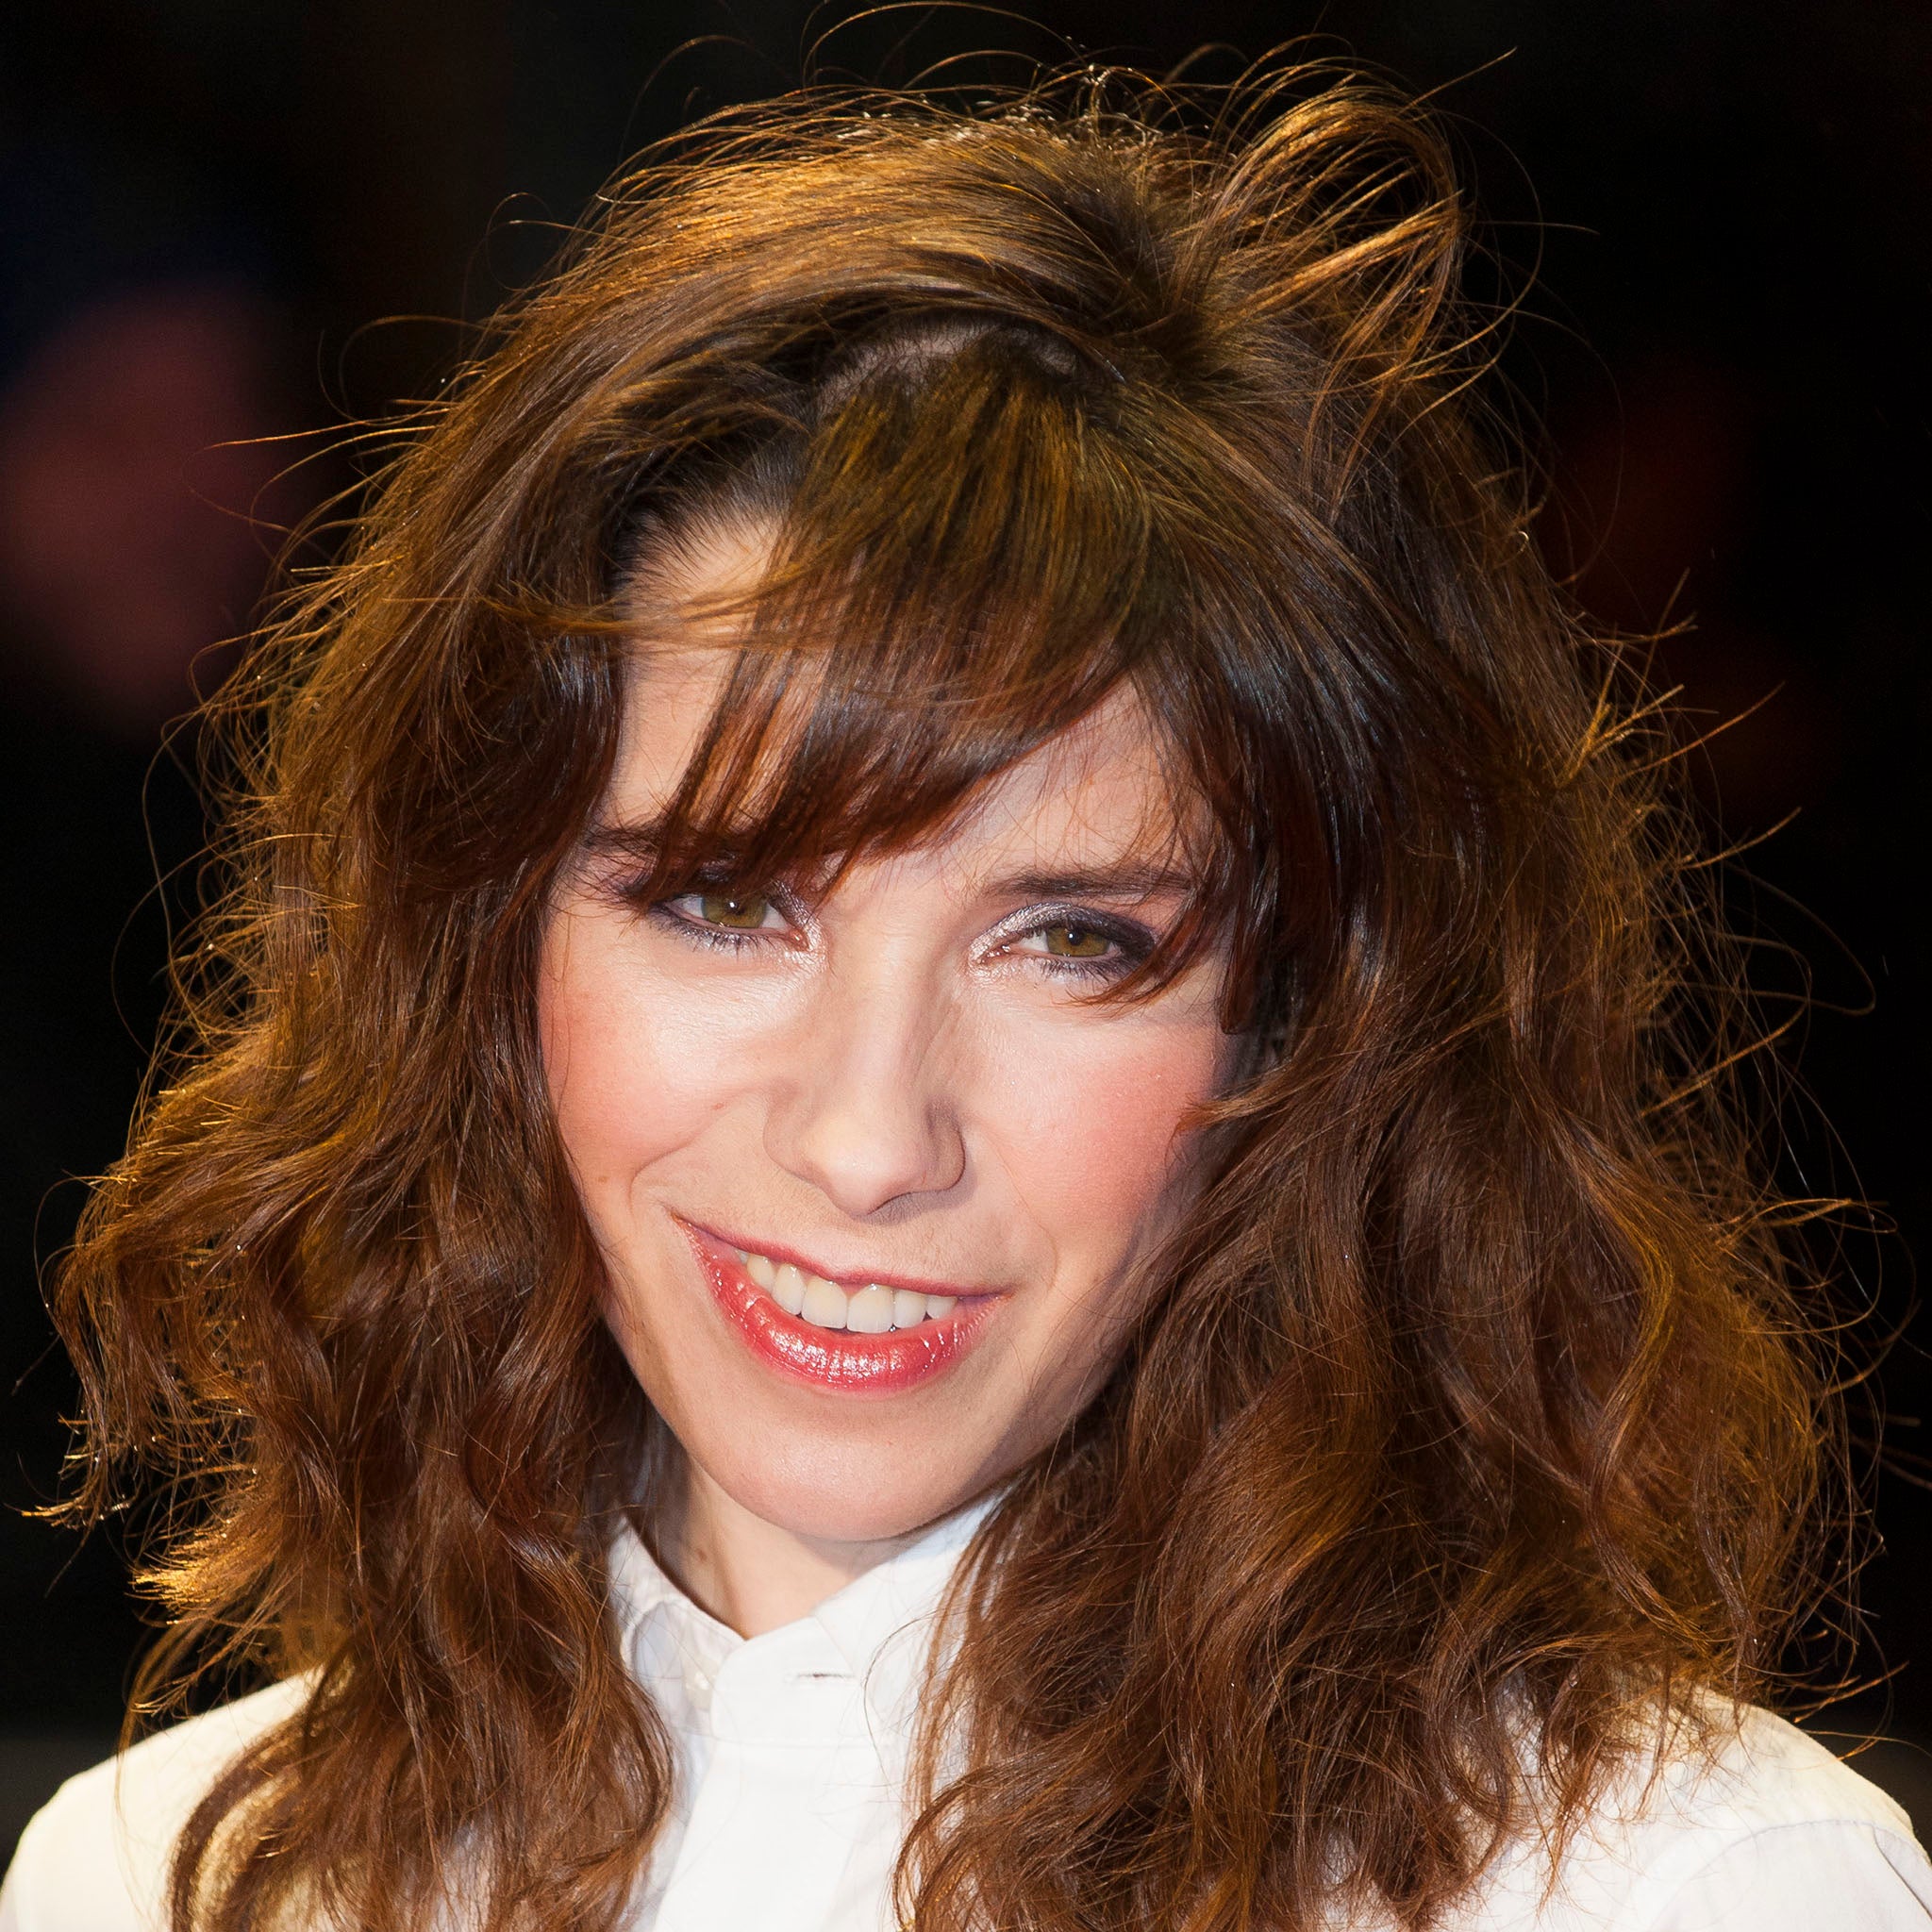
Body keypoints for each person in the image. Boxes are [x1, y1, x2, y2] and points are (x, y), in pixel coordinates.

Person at [4, 61, 1927, 1932]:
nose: (865, 1138)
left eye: (1072, 940)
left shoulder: (1672, 1885)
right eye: (727, 901)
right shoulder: (163, 1877)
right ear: (484, 953)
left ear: (1312, 1029)